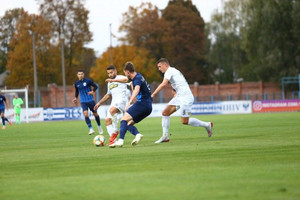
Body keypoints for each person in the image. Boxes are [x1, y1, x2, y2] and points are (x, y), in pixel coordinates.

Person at [151, 58, 213, 144]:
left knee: (185, 121)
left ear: (165, 65)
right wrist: (175, 92)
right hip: (179, 97)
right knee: (165, 113)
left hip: (186, 98)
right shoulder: (173, 71)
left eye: (160, 66)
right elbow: (178, 83)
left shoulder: (169, 71)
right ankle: (165, 136)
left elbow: (164, 84)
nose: (159, 69)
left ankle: (207, 125)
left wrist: (153, 94)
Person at [109, 61, 152, 148]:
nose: (125, 75)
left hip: (142, 104)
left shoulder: (136, 79)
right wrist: (113, 80)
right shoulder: (138, 76)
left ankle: (120, 141)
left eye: (125, 73)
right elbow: (125, 80)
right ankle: (137, 135)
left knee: (123, 120)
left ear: (127, 72)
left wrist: (130, 102)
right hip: (149, 107)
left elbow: (136, 89)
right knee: (128, 124)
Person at [94, 65, 130, 144]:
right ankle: (114, 141)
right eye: (108, 73)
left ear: (115, 71)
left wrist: (113, 80)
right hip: (113, 102)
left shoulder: (121, 77)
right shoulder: (109, 83)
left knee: (112, 110)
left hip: (122, 101)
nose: (110, 74)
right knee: (107, 120)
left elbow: (127, 79)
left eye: (111, 72)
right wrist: (99, 103)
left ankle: (115, 131)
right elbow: (108, 95)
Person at [72, 70, 103, 135]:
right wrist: (75, 98)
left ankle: (99, 126)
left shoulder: (88, 81)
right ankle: (91, 129)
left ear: (83, 75)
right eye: (79, 74)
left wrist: (93, 91)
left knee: (95, 114)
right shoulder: (76, 83)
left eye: (81, 74)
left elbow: (95, 86)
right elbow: (77, 92)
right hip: (83, 101)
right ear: (77, 75)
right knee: (86, 114)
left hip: (91, 100)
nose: (80, 75)